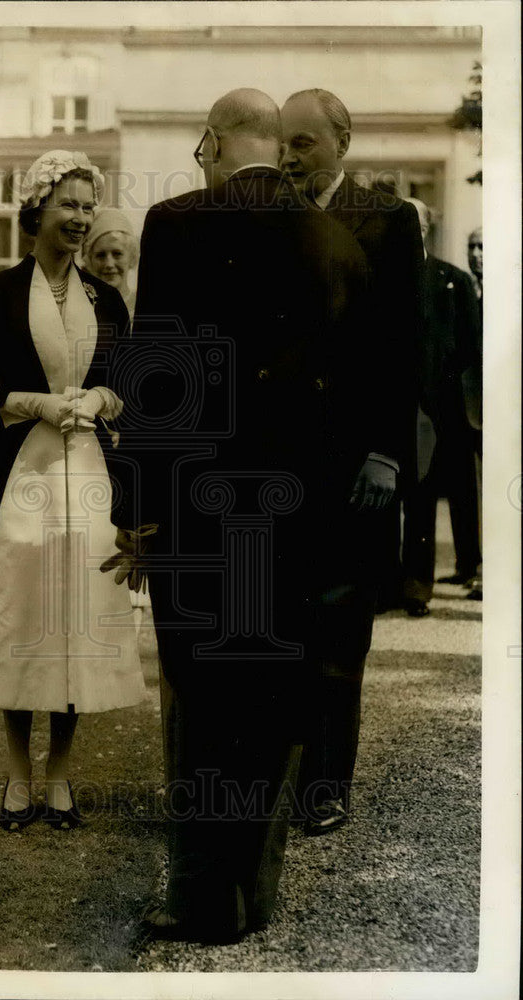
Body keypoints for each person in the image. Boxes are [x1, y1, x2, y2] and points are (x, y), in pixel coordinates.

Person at [103, 89, 391, 943]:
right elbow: (361, 392)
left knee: (200, 707)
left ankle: (201, 904)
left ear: (212, 141)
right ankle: (252, 900)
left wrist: (137, 510)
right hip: (299, 521)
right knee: (272, 702)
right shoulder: (339, 238)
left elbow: (159, 378)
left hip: (202, 509)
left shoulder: (179, 222)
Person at [0, 150, 145, 831]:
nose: (78, 220)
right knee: (21, 614)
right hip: (22, 473)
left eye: (86, 206)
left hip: (90, 478)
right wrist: (28, 403)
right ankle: (18, 776)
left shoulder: (106, 299)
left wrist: (103, 397)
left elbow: (130, 383)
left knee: (76, 616)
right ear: (36, 210)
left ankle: (61, 777)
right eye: (67, 205)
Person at [280, 87, 424, 833]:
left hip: (353, 463)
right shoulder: (267, 217)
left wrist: (383, 456)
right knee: (279, 624)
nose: (288, 156)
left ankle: (325, 784)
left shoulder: (388, 220)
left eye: (303, 143)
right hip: (277, 465)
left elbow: (403, 347)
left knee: (339, 629)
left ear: (341, 139)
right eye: (282, 141)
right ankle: (275, 774)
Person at [400, 200, 482, 616]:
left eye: (415, 224)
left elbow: (472, 345)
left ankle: (461, 570)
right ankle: (407, 583)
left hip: (447, 409)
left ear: (427, 229)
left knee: (452, 492)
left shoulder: (454, 280)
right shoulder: (384, 278)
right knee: (411, 495)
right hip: (399, 406)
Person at [461, 227, 483, 601]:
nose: (477, 253)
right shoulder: (463, 287)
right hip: (468, 407)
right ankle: (474, 566)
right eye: (473, 246)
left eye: (484, 246)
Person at [82, 207, 139, 319]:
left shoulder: (144, 306)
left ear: (132, 257)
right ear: (90, 260)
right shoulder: (82, 308)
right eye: (100, 255)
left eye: (117, 254)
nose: (109, 264)